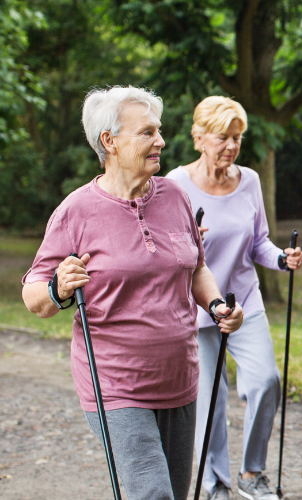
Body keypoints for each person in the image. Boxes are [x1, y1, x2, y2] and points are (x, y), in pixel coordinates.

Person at [21, 86, 244, 500]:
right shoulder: (76, 211)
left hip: (179, 378)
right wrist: (57, 287)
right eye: (147, 132)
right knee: (153, 493)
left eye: (158, 130)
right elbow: (34, 296)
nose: (161, 141)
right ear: (109, 141)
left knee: (174, 493)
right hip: (115, 384)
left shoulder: (175, 196)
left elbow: (196, 266)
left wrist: (216, 306)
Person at [165, 96, 302, 500]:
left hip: (244, 302)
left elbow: (259, 242)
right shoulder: (175, 184)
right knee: (211, 401)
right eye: (223, 137)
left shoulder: (250, 181)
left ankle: (251, 472)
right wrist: (186, 241)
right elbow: (160, 248)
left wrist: (281, 258)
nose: (231, 146)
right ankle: (215, 484)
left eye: (237, 138)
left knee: (266, 380)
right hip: (197, 309)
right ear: (199, 137)